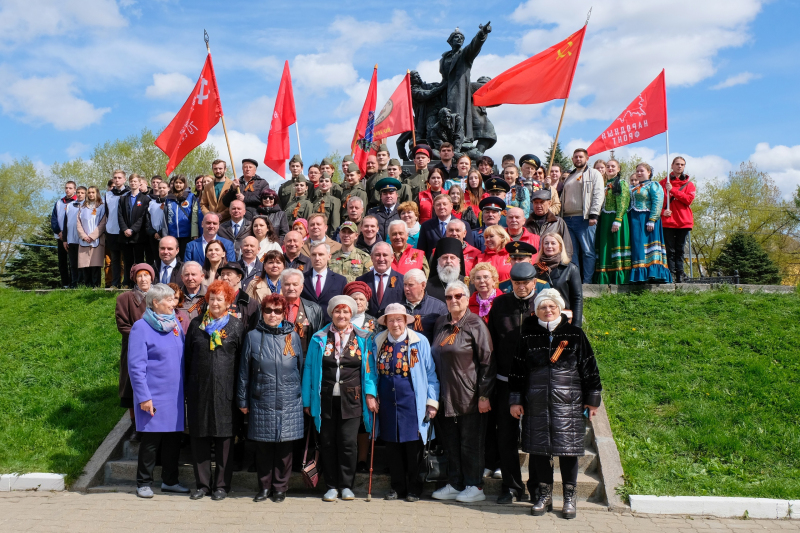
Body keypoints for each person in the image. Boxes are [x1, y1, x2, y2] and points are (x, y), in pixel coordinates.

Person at [509, 289, 602, 520]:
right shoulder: (527, 336)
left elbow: (589, 368)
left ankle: (569, 497)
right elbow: (517, 372)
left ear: (560, 309)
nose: (547, 310)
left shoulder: (575, 334)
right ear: (536, 310)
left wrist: (592, 400)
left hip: (568, 404)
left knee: (569, 452)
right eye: (542, 307)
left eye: (552, 306)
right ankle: (544, 495)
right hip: (536, 403)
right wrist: (515, 400)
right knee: (539, 451)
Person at [302, 295, 376, 502]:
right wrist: (307, 400)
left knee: (348, 443)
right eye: (337, 311)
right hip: (324, 399)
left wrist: (370, 394)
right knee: (327, 442)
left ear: (351, 314)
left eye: (345, 312)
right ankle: (331, 486)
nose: (341, 315)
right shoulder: (319, 337)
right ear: (331, 314)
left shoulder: (363, 338)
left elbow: (369, 370)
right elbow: (309, 369)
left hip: (352, 399)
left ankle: (346, 486)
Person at [430, 281, 495, 503]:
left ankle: (475, 485)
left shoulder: (476, 324)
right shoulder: (441, 322)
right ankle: (455, 483)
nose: (453, 300)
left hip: (470, 395)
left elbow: (488, 363)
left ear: (467, 298)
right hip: (445, 395)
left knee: (471, 443)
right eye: (449, 297)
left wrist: (484, 395)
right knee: (450, 442)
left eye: (458, 296)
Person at [486, 262, 545, 505]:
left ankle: (538, 487)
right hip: (504, 382)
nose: (521, 287)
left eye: (525, 283)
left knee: (535, 437)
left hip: (535, 382)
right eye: (516, 283)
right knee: (506, 437)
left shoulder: (543, 305)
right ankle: (511, 486)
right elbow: (491, 342)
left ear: (534, 282)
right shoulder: (500, 304)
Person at [237, 293, 303, 503]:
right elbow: (244, 371)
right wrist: (243, 400)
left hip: (289, 400)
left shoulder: (292, 336)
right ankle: (264, 487)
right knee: (264, 448)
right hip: (262, 398)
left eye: (277, 311)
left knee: (284, 449)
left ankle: (280, 488)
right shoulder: (253, 336)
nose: (272, 315)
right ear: (262, 312)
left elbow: (300, 367)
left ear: (284, 313)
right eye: (268, 310)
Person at [370, 303, 440, 502]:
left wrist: (431, 402)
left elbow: (430, 374)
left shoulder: (420, 341)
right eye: (390, 320)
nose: (395, 324)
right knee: (392, 446)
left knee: (413, 447)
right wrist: (372, 395)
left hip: (412, 401)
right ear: (385, 323)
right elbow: (372, 372)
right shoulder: (378, 341)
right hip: (387, 402)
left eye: (399, 319)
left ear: (406, 321)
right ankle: (396, 487)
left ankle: (414, 488)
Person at [184, 280, 245, 501]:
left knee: (225, 440)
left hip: (226, 393)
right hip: (199, 390)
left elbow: (242, 363)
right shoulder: (196, 325)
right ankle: (202, 485)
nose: (215, 302)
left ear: (229, 302)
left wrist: (241, 394)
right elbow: (188, 359)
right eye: (212, 298)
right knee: (199, 438)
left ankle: (221, 485)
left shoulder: (237, 326)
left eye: (220, 298)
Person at [127, 283, 188, 498]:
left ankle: (170, 481)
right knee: (151, 441)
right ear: (155, 302)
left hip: (175, 395)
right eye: (170, 300)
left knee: (172, 440)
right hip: (153, 395)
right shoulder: (141, 327)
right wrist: (143, 397)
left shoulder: (174, 325)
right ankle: (143, 482)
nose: (174, 304)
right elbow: (136, 366)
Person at [116, 263, 155, 439]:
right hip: (134, 348)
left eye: (146, 275)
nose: (143, 279)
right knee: (133, 386)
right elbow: (123, 325)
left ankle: (153, 424)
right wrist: (142, 337)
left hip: (156, 349)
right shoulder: (124, 298)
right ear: (134, 278)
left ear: (152, 277)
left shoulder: (159, 295)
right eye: (139, 275)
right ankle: (136, 427)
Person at [560, 148, 604, 283]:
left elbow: (598, 194)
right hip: (567, 218)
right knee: (571, 253)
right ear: (572, 159)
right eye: (575, 157)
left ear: (587, 158)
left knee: (587, 251)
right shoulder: (569, 176)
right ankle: (576, 282)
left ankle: (587, 282)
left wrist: (594, 214)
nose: (578, 159)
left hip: (584, 218)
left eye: (581, 157)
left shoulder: (594, 174)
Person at [628, 163, 672, 283]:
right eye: (637, 171)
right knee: (638, 245)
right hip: (635, 219)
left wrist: (652, 219)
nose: (639, 173)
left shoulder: (653, 185)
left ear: (649, 172)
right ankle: (640, 274)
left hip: (647, 218)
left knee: (649, 245)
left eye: (642, 171)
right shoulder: (633, 187)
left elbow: (657, 202)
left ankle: (653, 273)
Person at [593, 159, 632, 284]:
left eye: (613, 166)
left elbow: (623, 202)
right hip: (604, 218)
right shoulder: (603, 183)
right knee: (605, 246)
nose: (610, 168)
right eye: (608, 166)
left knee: (616, 244)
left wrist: (618, 219)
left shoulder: (621, 183)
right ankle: (604, 276)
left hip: (616, 217)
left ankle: (619, 277)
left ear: (618, 169)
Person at [534, 234, 583, 327]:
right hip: (541, 319)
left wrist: (577, 325)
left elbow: (577, 298)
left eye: (553, 243)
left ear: (560, 246)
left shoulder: (571, 269)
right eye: (546, 243)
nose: (549, 246)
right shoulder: (535, 269)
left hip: (564, 318)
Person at [660, 157, 696, 283]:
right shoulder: (662, 183)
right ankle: (671, 274)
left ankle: (680, 274)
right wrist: (662, 212)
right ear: (672, 165)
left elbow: (688, 200)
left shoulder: (689, 184)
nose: (679, 166)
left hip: (683, 221)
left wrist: (673, 190)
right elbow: (656, 203)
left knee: (680, 249)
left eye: (682, 164)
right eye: (677, 164)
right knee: (669, 250)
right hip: (668, 221)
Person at [280, 268, 324, 354]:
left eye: (295, 284)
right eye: (287, 284)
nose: (291, 288)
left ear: (301, 287)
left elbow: (318, 339)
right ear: (281, 286)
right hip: (278, 358)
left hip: (304, 359)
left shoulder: (314, 309)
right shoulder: (271, 308)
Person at [301, 242, 348, 322]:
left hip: (330, 326)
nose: (317, 258)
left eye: (321, 254)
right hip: (307, 326)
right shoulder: (302, 279)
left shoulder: (340, 280)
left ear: (329, 256)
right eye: (313, 254)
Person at [355, 242, 405, 316]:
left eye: (385, 255)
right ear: (371, 257)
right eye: (377, 255)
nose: (381, 259)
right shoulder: (361, 281)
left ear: (392, 258)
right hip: (367, 325)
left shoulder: (403, 280)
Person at [417, 194, 474, 259]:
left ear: (451, 206)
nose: (441, 207)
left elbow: (470, 249)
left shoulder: (463, 224)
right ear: (434, 207)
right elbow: (421, 251)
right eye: (438, 205)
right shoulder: (426, 226)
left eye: (445, 204)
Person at [119, 174, 151, 287]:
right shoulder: (123, 198)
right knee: (127, 261)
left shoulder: (145, 199)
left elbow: (143, 217)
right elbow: (120, 215)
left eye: (135, 181)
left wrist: (132, 229)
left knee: (139, 260)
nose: (133, 183)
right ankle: (128, 282)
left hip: (139, 235)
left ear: (139, 183)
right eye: (131, 181)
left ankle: (139, 283)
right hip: (125, 235)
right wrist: (125, 229)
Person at [399, 268, 447, 344]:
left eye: (411, 285)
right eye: (405, 284)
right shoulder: (397, 307)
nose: (406, 289)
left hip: (427, 352)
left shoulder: (439, 307)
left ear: (423, 285)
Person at [525, 189, 573, 259]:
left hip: (553, 263)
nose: (538, 205)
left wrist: (565, 263)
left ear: (549, 203)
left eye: (542, 202)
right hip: (532, 262)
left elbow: (567, 246)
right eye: (536, 202)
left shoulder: (558, 222)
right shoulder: (527, 223)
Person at [77, 185, 107, 288]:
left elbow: (103, 223)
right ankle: (87, 286)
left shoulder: (101, 207)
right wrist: (84, 236)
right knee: (85, 264)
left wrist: (93, 236)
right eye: (89, 192)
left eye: (93, 192)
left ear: (97, 193)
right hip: (84, 240)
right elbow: (78, 223)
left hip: (96, 240)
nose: (91, 194)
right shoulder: (82, 207)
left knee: (95, 265)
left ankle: (96, 286)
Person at [105, 171, 130, 288]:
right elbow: (107, 212)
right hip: (111, 230)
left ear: (124, 179)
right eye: (115, 178)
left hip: (124, 230)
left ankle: (126, 282)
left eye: (120, 178)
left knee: (126, 258)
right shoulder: (108, 194)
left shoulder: (129, 193)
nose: (117, 180)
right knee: (114, 259)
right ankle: (115, 283)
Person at [163, 175, 196, 258]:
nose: (178, 185)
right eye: (176, 182)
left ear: (184, 184)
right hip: (172, 234)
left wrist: (195, 233)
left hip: (187, 234)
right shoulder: (169, 198)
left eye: (180, 183)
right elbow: (165, 217)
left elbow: (194, 216)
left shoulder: (191, 196)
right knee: (173, 258)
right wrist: (165, 234)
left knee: (185, 257)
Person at [426, 236, 465, 303]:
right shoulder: (427, 286)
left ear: (459, 261)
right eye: (445, 258)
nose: (448, 261)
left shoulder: (469, 284)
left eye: (452, 258)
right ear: (438, 261)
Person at [62, 186, 85, 288]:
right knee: (73, 263)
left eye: (82, 193)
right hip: (71, 239)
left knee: (82, 263)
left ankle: (81, 283)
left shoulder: (87, 205)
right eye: (78, 192)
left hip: (82, 239)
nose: (80, 194)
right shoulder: (70, 205)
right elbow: (65, 223)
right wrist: (65, 239)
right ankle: (74, 282)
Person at [145, 181, 168, 268]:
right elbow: (147, 220)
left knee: (166, 259)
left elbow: (170, 220)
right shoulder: (152, 203)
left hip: (166, 235)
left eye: (164, 188)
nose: (161, 189)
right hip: (153, 236)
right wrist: (153, 233)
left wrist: (161, 232)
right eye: (160, 188)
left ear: (168, 189)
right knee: (155, 259)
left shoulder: (170, 203)